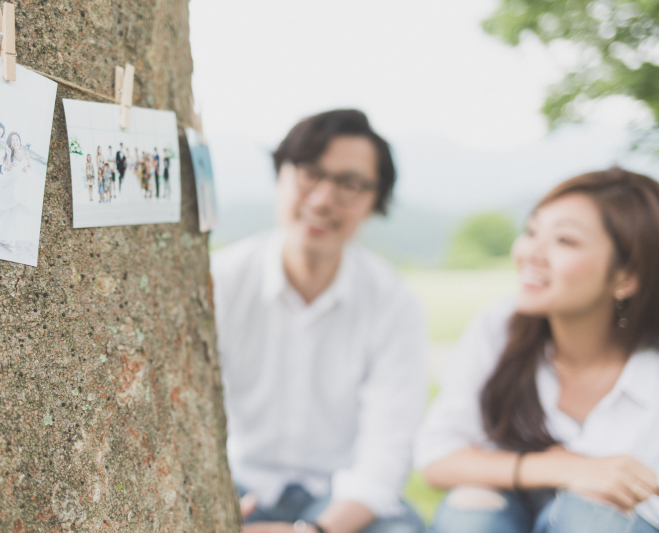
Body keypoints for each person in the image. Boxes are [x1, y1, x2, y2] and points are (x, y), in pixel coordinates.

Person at [211, 109, 426, 533]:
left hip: (341, 495)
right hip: (235, 484)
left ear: (374, 201)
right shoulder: (221, 281)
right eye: (310, 173)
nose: (323, 199)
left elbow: (387, 451)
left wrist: (315, 531)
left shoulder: (392, 300)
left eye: (350, 185)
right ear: (281, 175)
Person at [415, 168, 659, 533]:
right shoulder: (500, 326)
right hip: (510, 511)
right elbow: (437, 457)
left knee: (587, 519)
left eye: (565, 241)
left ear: (627, 277)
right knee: (471, 512)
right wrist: (563, 467)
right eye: (531, 232)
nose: (531, 253)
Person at [0, 132, 40, 251]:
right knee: (10, 212)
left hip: (23, 186)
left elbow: (30, 167)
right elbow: (8, 168)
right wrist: (8, 154)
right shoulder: (10, 154)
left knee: (18, 213)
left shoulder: (26, 154)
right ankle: (8, 239)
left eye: (17, 139)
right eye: (13, 140)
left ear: (20, 141)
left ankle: (12, 241)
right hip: (12, 185)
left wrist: (26, 169)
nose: (15, 142)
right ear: (10, 143)